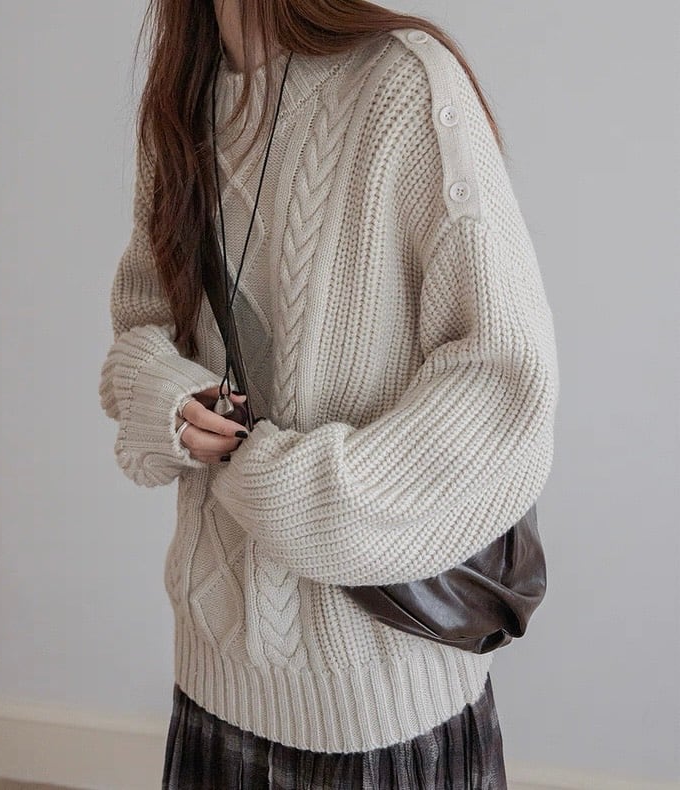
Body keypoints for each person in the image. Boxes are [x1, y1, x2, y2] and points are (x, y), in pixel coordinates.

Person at [98, 1, 560, 787]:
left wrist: (289, 489)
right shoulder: (180, 102)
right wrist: (175, 399)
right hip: (215, 674)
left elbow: (502, 382)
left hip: (383, 701)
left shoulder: (404, 82)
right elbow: (142, 327)